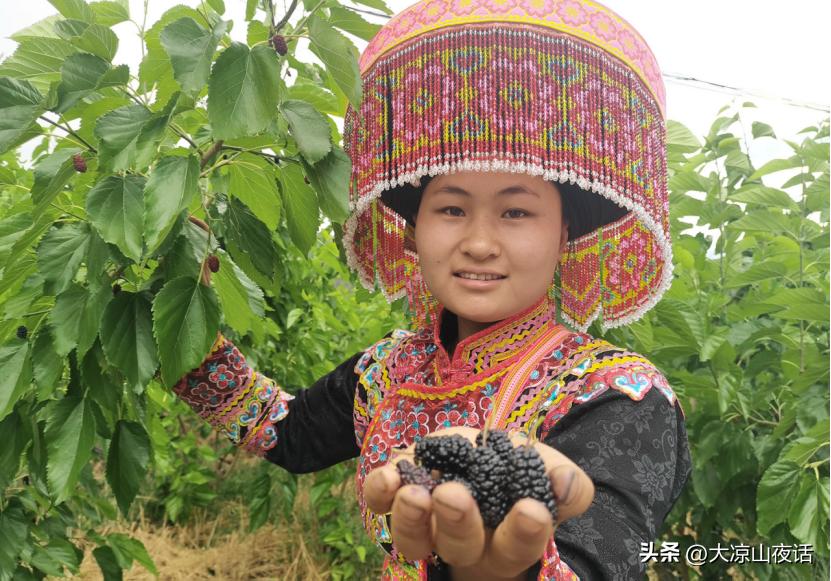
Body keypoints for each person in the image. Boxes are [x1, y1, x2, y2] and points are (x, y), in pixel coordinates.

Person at [173, 0, 692, 578]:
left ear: (564, 232)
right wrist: (176, 319)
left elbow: (601, 557)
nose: (478, 242)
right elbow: (286, 433)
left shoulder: (617, 396)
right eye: (450, 208)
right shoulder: (387, 371)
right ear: (414, 229)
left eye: (516, 212)